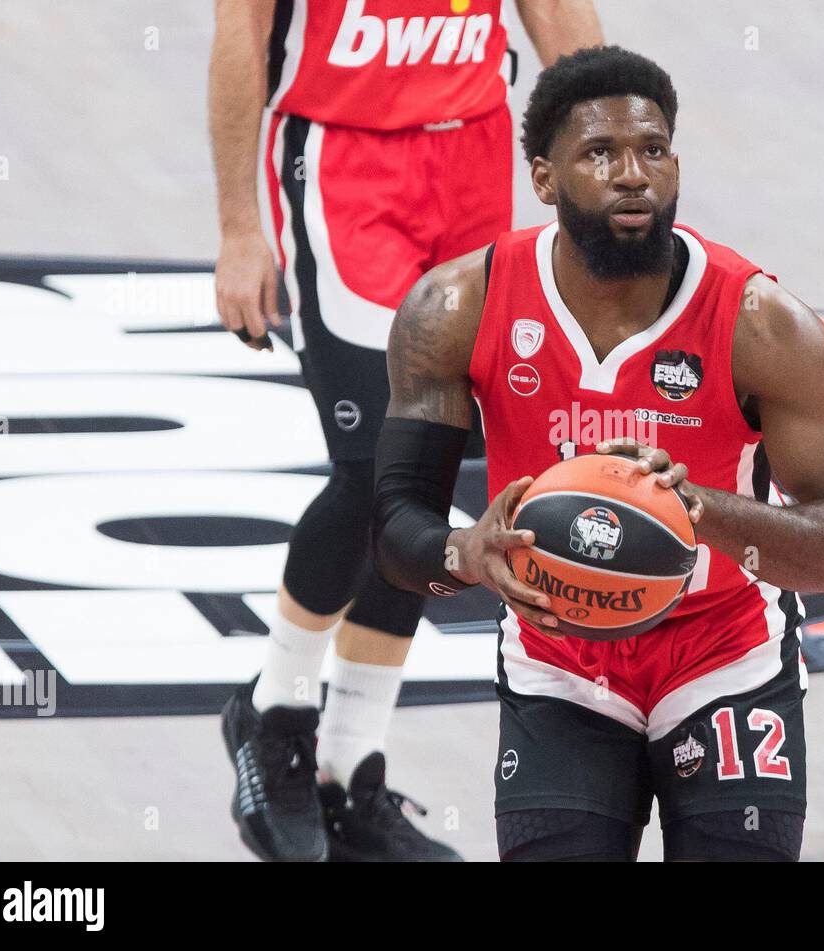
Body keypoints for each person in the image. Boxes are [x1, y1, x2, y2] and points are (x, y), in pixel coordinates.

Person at [372, 45, 824, 861]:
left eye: (653, 149)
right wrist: (464, 554)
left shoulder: (762, 325)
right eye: (600, 154)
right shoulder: (455, 307)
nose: (634, 175)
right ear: (544, 179)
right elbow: (397, 536)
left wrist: (698, 512)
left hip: (726, 655)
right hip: (561, 661)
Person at [208, 0, 603, 862]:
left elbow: (557, 17)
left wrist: (600, 182)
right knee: (370, 468)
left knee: (425, 481)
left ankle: (350, 766)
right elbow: (240, 31)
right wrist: (240, 229)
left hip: (472, 155)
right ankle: (272, 709)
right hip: (345, 165)